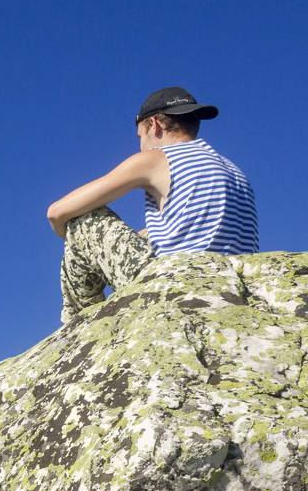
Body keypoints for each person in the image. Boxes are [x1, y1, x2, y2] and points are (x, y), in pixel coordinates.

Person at [45, 87, 258, 324]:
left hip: (175, 286)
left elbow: (56, 212)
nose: (140, 144)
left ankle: (80, 325)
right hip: (231, 285)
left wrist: (72, 240)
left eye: (140, 136)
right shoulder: (234, 171)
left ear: (154, 124)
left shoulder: (159, 158)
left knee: (84, 221)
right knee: (143, 235)